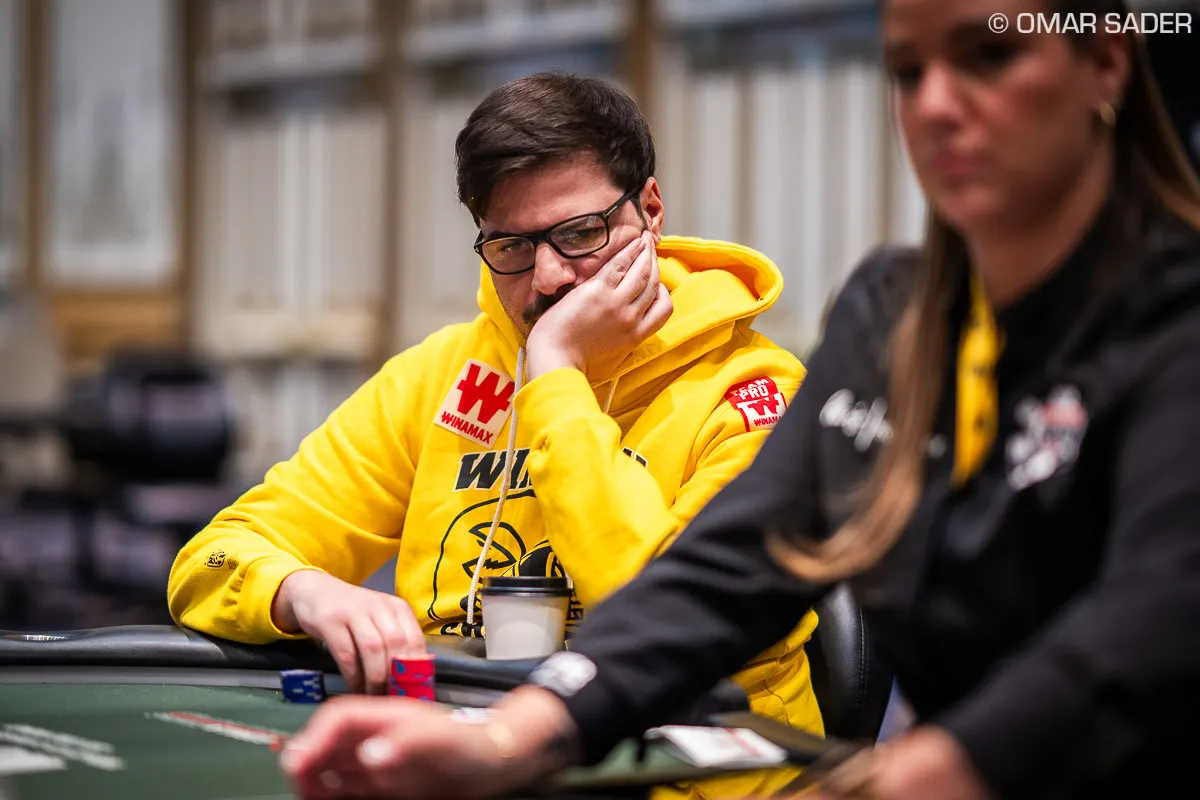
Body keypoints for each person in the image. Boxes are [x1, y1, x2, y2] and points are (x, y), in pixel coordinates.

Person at [277, 0, 1200, 798]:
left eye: (990, 53)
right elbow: (717, 577)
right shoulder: (892, 317)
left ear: (1105, 62)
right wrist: (512, 740)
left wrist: (937, 768)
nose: (935, 105)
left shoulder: (1175, 325)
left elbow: (1153, 617)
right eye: (907, 70)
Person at [167, 73, 822, 797]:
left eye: (581, 233)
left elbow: (669, 624)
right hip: (467, 761)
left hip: (687, 772)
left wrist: (556, 374)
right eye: (511, 245)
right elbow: (211, 561)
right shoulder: (439, 375)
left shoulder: (758, 393)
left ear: (651, 210)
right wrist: (305, 591)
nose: (549, 278)